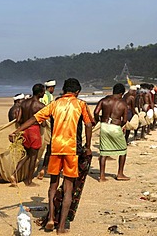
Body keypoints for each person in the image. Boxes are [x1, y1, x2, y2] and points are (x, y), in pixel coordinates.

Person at [9, 78, 92, 234]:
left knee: (53, 184)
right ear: (77, 92)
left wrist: (17, 131)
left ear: (64, 90)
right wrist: (88, 147)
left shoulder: (54, 104)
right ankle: (60, 228)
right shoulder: (81, 105)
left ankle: (51, 218)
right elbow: (88, 124)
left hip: (55, 148)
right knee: (68, 187)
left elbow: (34, 118)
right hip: (72, 149)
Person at [11, 84, 45, 187]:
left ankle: (14, 174)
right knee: (33, 156)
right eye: (43, 91)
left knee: (27, 154)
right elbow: (42, 123)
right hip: (34, 130)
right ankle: (29, 181)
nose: (44, 93)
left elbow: (19, 119)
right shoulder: (40, 106)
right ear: (39, 93)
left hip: (24, 130)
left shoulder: (24, 103)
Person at [94, 83, 129, 182]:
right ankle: (120, 173)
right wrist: (121, 126)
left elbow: (96, 112)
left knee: (103, 151)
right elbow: (125, 119)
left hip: (104, 126)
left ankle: (101, 176)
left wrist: (100, 119)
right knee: (123, 150)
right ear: (122, 93)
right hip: (115, 126)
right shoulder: (122, 104)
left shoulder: (104, 100)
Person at [37, 80, 56, 180]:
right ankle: (44, 168)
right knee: (49, 146)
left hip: (38, 119)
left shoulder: (40, 96)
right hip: (46, 121)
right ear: (51, 87)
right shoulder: (49, 96)